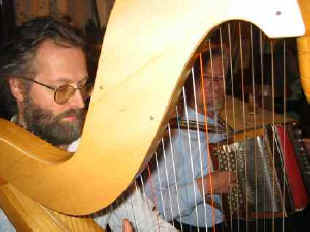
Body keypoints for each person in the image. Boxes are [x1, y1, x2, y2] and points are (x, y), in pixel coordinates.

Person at [0, 16, 177, 232]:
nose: (79, 102)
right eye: (62, 89)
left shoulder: (94, 156)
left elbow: (152, 225)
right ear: (18, 87)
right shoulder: (5, 168)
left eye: (83, 86)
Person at [144, 44, 236, 232]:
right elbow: (151, 207)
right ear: (189, 82)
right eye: (206, 77)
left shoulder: (223, 125)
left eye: (219, 78)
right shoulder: (172, 135)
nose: (215, 85)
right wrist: (205, 186)